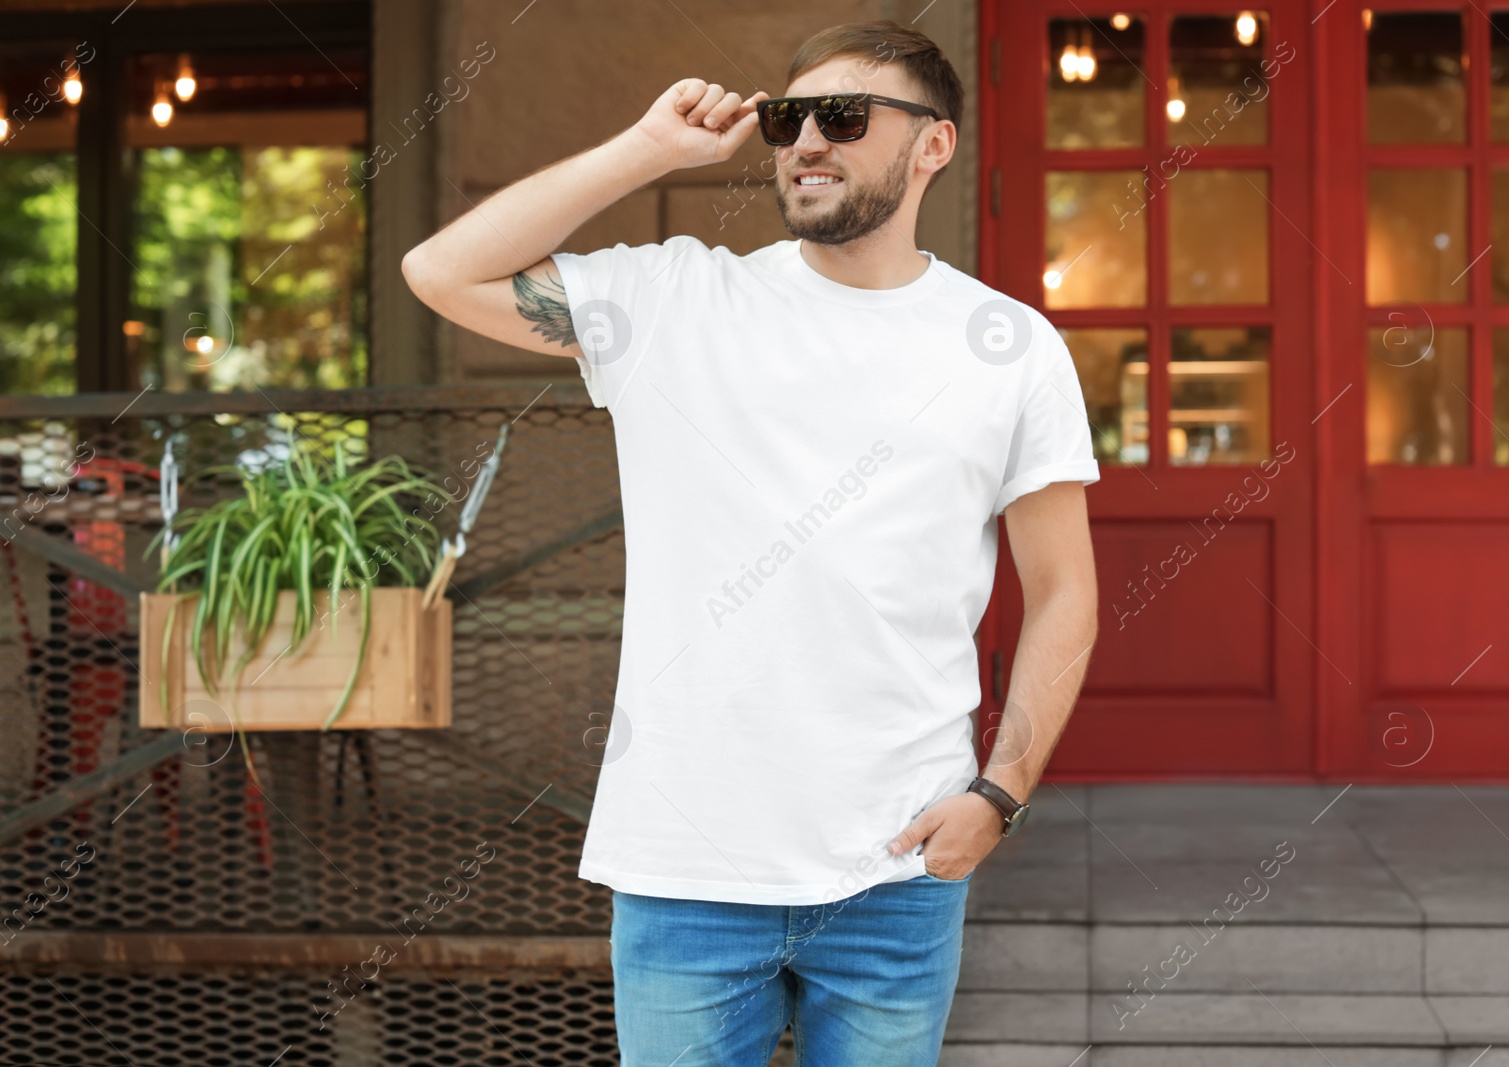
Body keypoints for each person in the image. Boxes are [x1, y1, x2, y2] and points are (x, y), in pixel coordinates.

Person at [402, 19, 1100, 1066]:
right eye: (787, 118)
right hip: (685, 864)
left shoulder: (1008, 347)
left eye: (845, 115)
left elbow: (1062, 592)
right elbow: (440, 270)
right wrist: (644, 149)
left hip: (897, 867)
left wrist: (999, 795)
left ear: (933, 147)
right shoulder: (676, 299)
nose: (806, 138)